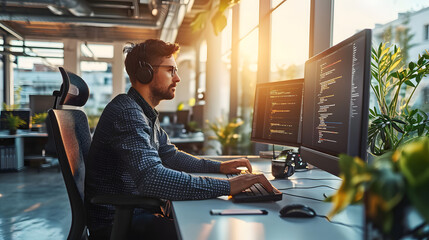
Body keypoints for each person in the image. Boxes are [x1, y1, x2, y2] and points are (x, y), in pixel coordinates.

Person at [85, 39, 273, 240]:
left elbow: (170, 155)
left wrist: (219, 168)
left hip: (135, 213)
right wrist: (228, 186)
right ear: (145, 72)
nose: (178, 78)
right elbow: (152, 178)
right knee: (216, 232)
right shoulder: (127, 112)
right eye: (171, 71)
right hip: (118, 224)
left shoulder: (142, 112)